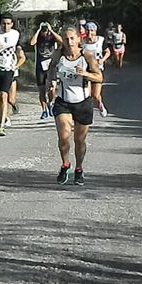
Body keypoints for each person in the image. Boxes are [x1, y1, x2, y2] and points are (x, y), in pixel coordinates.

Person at [47, 27, 103, 186]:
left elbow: (99, 76)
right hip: (63, 102)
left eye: (72, 38)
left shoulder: (87, 56)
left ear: (79, 39)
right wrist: (50, 86)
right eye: (66, 39)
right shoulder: (58, 55)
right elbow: (51, 70)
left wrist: (85, 74)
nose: (69, 42)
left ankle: (79, 168)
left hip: (83, 103)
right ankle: (65, 165)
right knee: (64, 136)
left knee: (79, 140)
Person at [29, 21, 62, 119]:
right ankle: (44, 110)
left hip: (51, 66)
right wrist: (38, 30)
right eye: (43, 30)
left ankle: (51, 102)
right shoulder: (38, 37)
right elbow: (32, 43)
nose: (44, 32)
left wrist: (51, 30)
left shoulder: (51, 37)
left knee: (52, 88)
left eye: (45, 30)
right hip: (40, 67)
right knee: (42, 90)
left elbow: (61, 41)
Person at [83, 21, 110, 117]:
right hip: (86, 70)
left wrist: (102, 60)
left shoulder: (101, 40)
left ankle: (100, 104)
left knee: (95, 95)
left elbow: (107, 52)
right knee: (87, 94)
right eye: (87, 30)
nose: (89, 33)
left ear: (95, 31)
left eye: (92, 30)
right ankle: (87, 113)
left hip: (98, 70)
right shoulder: (82, 42)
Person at [7, 45, 27, 120]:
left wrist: (16, 66)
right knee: (3, 97)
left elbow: (23, 58)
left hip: (12, 75)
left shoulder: (17, 47)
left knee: (11, 99)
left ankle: (14, 104)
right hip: (2, 72)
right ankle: (5, 117)